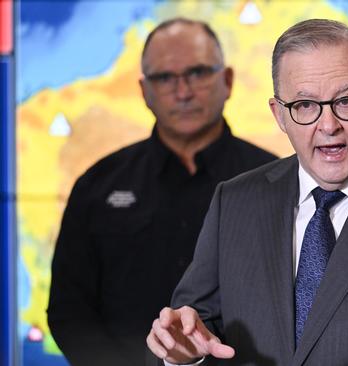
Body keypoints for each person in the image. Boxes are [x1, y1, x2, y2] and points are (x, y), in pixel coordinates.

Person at [147, 19, 348, 366]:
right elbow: (194, 327)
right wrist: (182, 356)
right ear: (280, 115)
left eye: (347, 101)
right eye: (305, 105)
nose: (328, 125)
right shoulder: (234, 202)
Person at [47, 18, 277, 366]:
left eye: (198, 73)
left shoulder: (277, 182)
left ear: (227, 81)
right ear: (144, 91)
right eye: (165, 78)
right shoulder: (97, 185)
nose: (183, 92)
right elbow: (69, 310)